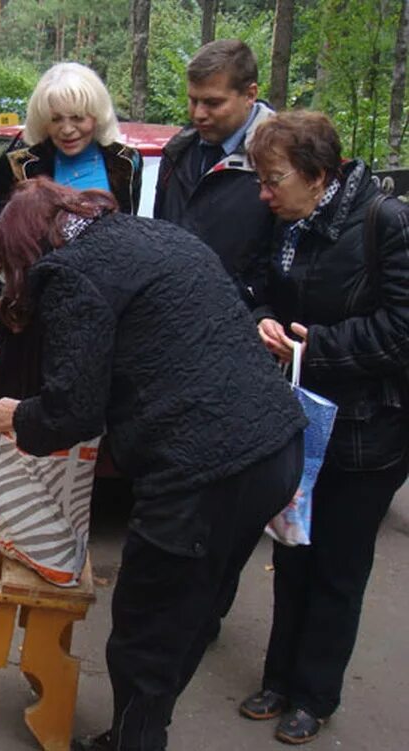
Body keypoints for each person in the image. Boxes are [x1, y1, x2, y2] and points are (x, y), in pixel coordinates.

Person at [0, 177, 307, 751]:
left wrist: (18, 416)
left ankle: (135, 740)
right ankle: (137, 730)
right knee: (191, 613)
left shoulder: (71, 272)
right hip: (275, 448)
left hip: (204, 470)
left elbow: (72, 410)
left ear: (28, 246)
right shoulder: (157, 235)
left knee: (143, 633)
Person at [238, 111, 409, 745]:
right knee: (292, 548)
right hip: (299, 416)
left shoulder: (384, 223)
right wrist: (260, 317)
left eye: (273, 178)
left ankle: (314, 695)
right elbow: (252, 283)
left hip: (369, 432)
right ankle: (278, 677)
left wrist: (319, 345)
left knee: (338, 563)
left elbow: (402, 330)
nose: (264, 191)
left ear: (318, 175)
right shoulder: (283, 219)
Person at [0, 62, 142, 504]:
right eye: (56, 118)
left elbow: (131, 240)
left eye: (78, 117)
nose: (67, 129)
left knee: (76, 428)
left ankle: (57, 544)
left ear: (96, 115)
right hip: (29, 320)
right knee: (17, 431)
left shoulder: (124, 162)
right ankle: (5, 533)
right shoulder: (21, 164)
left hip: (94, 322)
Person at [154, 39, 275, 299]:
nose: (198, 114)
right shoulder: (178, 153)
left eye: (212, 103)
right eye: (193, 100)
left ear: (250, 95)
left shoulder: (280, 161)